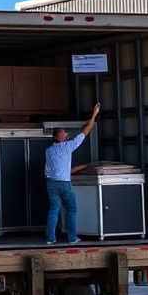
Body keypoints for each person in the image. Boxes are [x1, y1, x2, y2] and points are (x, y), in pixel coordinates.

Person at [45, 102, 100, 244]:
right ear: (59, 137)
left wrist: (83, 166)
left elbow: (64, 169)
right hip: (64, 184)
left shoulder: (49, 151)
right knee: (71, 209)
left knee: (53, 210)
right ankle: (72, 238)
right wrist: (94, 114)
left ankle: (50, 239)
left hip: (51, 183)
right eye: (65, 133)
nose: (67, 134)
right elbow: (86, 131)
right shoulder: (67, 147)